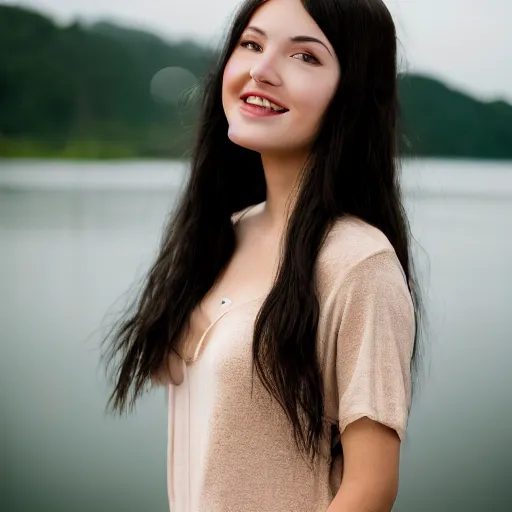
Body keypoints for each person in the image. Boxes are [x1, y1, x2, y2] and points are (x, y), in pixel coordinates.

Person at [102, 0, 424, 510]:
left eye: (305, 57)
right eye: (252, 44)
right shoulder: (219, 235)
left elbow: (371, 488)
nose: (261, 70)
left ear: (354, 94)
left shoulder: (358, 264)